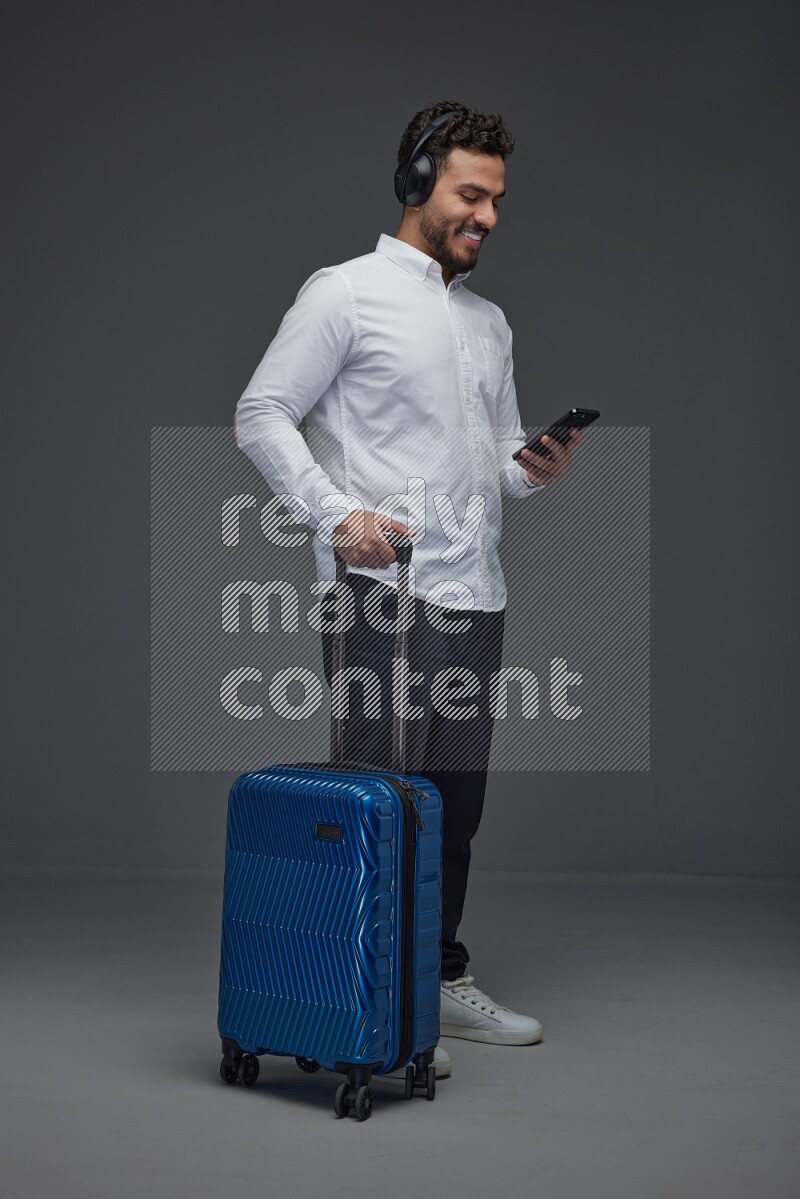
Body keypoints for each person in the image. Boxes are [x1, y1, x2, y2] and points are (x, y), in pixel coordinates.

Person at [234, 100, 582, 1078]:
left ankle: (434, 978)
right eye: (471, 194)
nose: (488, 216)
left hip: (476, 590)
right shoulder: (343, 294)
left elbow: (493, 465)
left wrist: (532, 465)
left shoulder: (488, 321)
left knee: (451, 805)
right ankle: (360, 991)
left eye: (497, 199)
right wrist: (333, 513)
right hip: (381, 590)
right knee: (379, 794)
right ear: (416, 182)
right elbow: (262, 410)